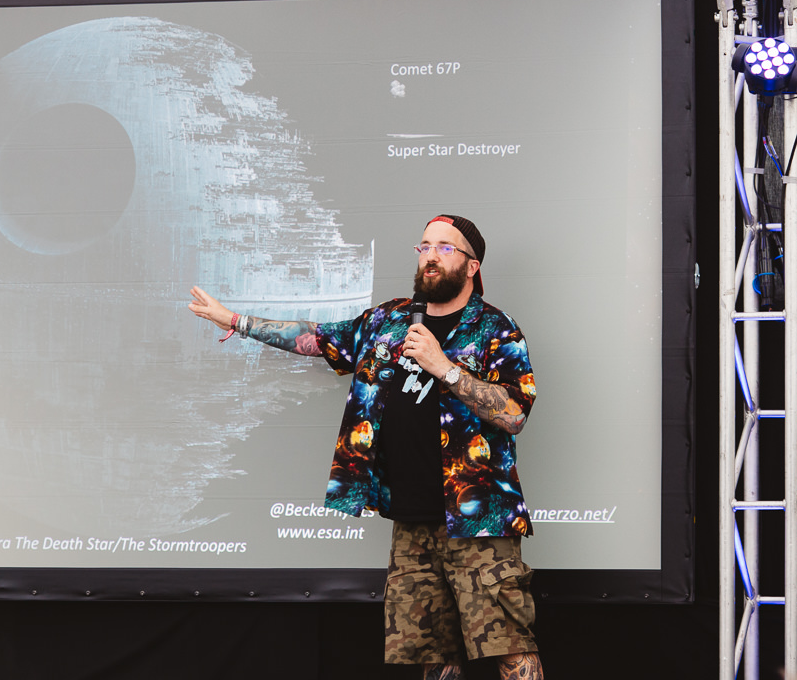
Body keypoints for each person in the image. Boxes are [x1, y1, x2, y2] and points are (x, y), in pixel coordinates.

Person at [190, 213, 541, 680]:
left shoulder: (496, 328)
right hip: (410, 519)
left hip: (480, 521)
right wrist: (237, 320)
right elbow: (316, 339)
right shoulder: (387, 321)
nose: (430, 255)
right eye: (424, 246)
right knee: (432, 655)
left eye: (444, 247)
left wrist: (445, 368)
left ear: (471, 266)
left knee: (508, 645)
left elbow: (515, 413)